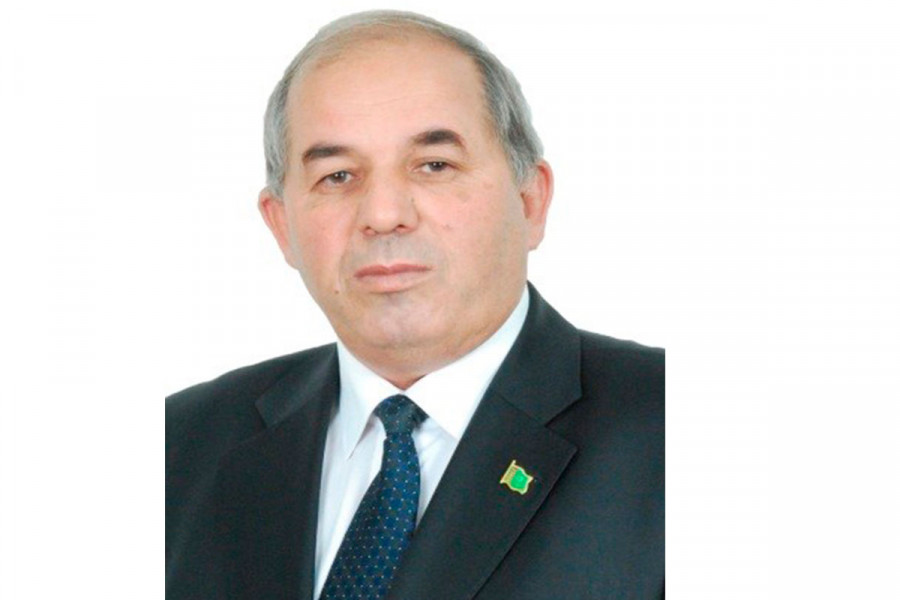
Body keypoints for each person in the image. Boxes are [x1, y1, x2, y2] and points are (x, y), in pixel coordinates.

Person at [166, 10, 664, 600]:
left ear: (530, 200)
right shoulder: (179, 446)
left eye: (434, 166)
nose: (383, 215)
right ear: (281, 226)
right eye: (337, 176)